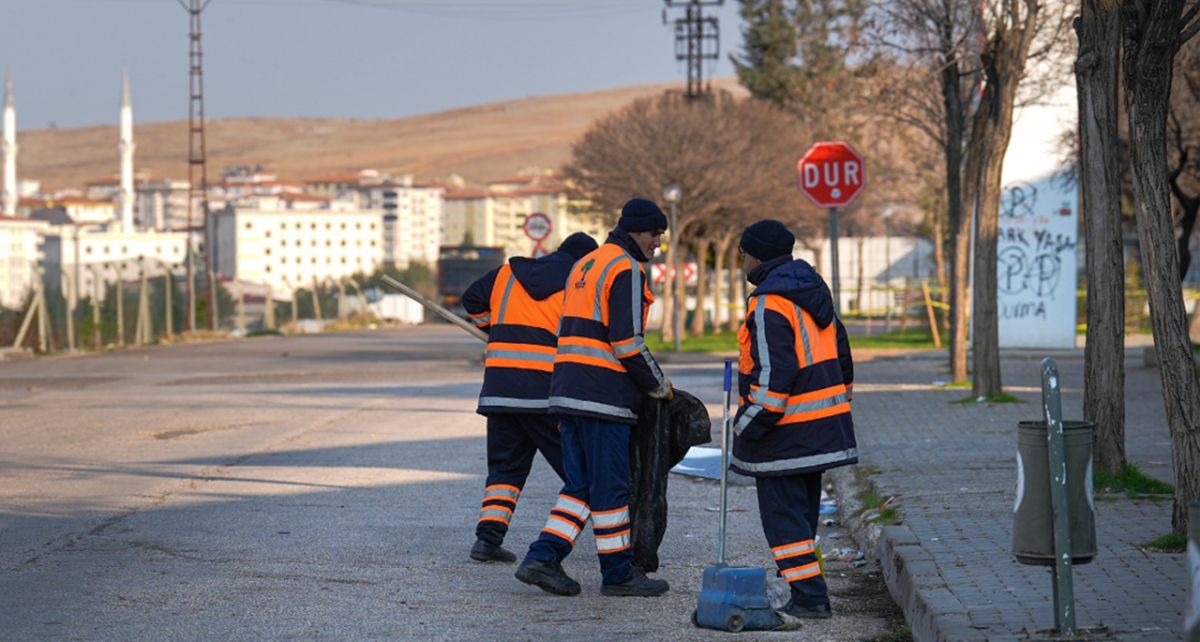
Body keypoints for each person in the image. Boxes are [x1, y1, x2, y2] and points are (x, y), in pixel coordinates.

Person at [514, 198, 674, 597]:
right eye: (655, 233)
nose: (658, 242)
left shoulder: (586, 264)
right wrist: (658, 384)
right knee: (612, 488)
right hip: (603, 395)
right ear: (636, 230)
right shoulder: (626, 268)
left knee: (582, 486)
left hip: (568, 390)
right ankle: (618, 575)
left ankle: (543, 557)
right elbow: (626, 341)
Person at [732, 219, 857, 620]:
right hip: (822, 427)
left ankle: (810, 596)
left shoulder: (769, 302)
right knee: (801, 518)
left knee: (784, 524)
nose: (744, 262)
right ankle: (806, 590)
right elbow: (842, 352)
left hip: (786, 431)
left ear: (757, 256)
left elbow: (774, 376)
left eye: (744, 254)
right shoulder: (812, 290)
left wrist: (747, 425)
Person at [461, 232, 599, 563]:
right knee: (581, 474)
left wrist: (492, 328)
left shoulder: (507, 273)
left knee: (505, 471)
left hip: (501, 390)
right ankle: (608, 545)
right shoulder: (579, 281)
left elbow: (471, 300)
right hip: (547, 393)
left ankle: (487, 540)